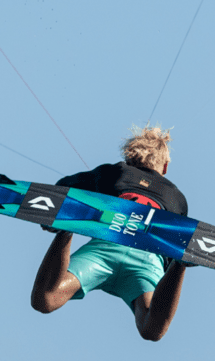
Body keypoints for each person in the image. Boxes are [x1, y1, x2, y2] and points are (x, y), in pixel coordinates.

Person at [30, 126, 189, 341]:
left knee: (46, 299)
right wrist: (174, 264)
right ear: (165, 167)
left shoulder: (116, 171)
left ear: (130, 157)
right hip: (147, 260)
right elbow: (171, 243)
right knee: (152, 330)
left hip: (106, 246)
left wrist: (58, 212)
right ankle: (182, 264)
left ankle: (65, 230)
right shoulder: (176, 196)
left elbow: (63, 187)